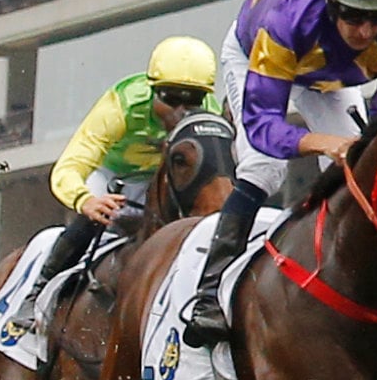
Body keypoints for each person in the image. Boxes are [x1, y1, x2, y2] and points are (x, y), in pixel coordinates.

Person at [183, 0, 377, 344]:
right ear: (331, 3)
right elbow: (263, 127)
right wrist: (321, 142)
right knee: (264, 169)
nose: (366, 30)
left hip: (329, 79)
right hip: (256, 55)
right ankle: (207, 295)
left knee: (363, 169)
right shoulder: (288, 20)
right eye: (353, 15)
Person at [12, 37, 230, 339]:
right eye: (170, 98)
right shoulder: (122, 105)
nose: (181, 111)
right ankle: (36, 293)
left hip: (161, 176)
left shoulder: (210, 114)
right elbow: (69, 167)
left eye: (193, 99)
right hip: (112, 175)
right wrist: (85, 200)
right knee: (93, 217)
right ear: (153, 90)